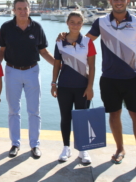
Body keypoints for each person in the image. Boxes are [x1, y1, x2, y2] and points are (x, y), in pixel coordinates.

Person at [59, 0, 136, 175]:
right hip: (109, 79)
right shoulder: (101, 22)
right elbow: (85, 41)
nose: (119, 2)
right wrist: (66, 37)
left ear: (127, 1)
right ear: (110, 1)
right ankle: (120, 149)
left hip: (133, 78)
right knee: (114, 116)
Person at [0, 0, 55, 159]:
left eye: (25, 8)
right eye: (19, 8)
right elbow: (1, 50)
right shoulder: (6, 27)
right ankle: (15, 143)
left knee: (34, 110)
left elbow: (44, 52)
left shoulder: (37, 27)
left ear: (30, 9)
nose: (22, 11)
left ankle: (35, 145)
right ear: (14, 10)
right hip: (11, 71)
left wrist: (59, 65)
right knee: (13, 110)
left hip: (32, 71)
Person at [51, 12, 96, 164]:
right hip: (64, 86)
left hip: (82, 87)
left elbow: (92, 66)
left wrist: (90, 87)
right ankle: (66, 147)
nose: (75, 25)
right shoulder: (59, 42)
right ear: (67, 23)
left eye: (78, 22)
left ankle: (83, 149)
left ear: (82, 24)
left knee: (82, 118)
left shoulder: (88, 42)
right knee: (65, 117)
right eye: (72, 22)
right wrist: (53, 83)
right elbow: (57, 64)